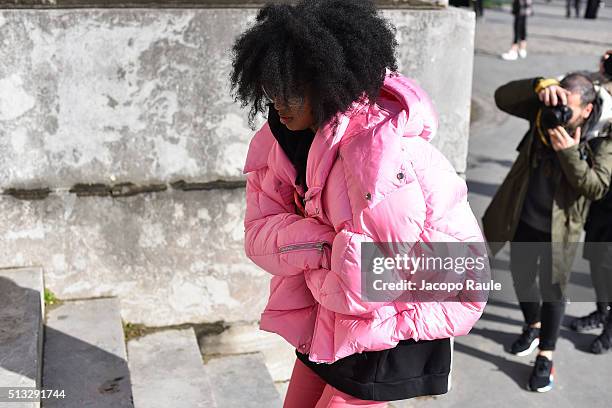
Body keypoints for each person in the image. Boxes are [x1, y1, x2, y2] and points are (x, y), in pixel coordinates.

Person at [230, 1, 487, 406]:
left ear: (326, 79)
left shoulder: (381, 155)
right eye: (269, 86)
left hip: (392, 327)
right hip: (330, 320)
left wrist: (317, 258)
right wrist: (323, 246)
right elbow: (257, 237)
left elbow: (373, 283)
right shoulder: (276, 144)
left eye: (290, 88)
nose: (277, 101)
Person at [482, 72, 612, 392]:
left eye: (568, 107)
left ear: (586, 109)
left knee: (553, 290)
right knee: (522, 278)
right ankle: (533, 326)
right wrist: (539, 86)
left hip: (561, 229)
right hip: (523, 215)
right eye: (558, 102)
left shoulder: (602, 137)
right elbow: (502, 96)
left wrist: (569, 153)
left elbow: (597, 186)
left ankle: (545, 354)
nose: (560, 113)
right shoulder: (543, 114)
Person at [570, 51, 612, 351]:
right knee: (597, 259)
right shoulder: (601, 88)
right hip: (602, 190)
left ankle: (610, 327)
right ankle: (602, 309)